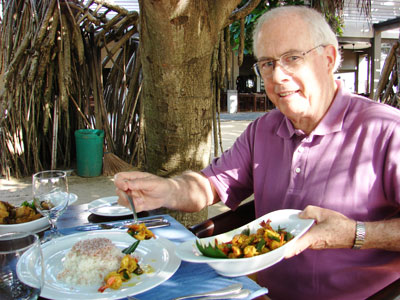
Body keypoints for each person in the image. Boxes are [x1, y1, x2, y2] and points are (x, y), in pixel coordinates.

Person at [114, 6, 400, 300]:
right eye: (267, 63)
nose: (278, 76)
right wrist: (166, 190)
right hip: (258, 294)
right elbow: (208, 185)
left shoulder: (387, 131)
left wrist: (354, 234)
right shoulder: (263, 129)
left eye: (292, 58)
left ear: (328, 59)